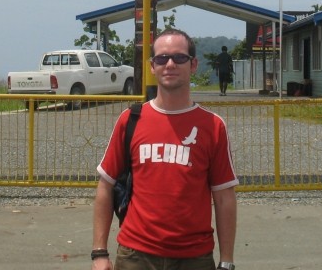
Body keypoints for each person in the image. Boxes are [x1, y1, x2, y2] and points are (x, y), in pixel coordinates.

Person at [92, 28, 238, 270]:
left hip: (194, 258)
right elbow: (105, 185)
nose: (170, 64)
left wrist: (227, 261)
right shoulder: (130, 120)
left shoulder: (212, 126)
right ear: (152, 66)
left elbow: (224, 198)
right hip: (135, 255)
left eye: (179, 58)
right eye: (162, 58)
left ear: (193, 65)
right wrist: (99, 253)